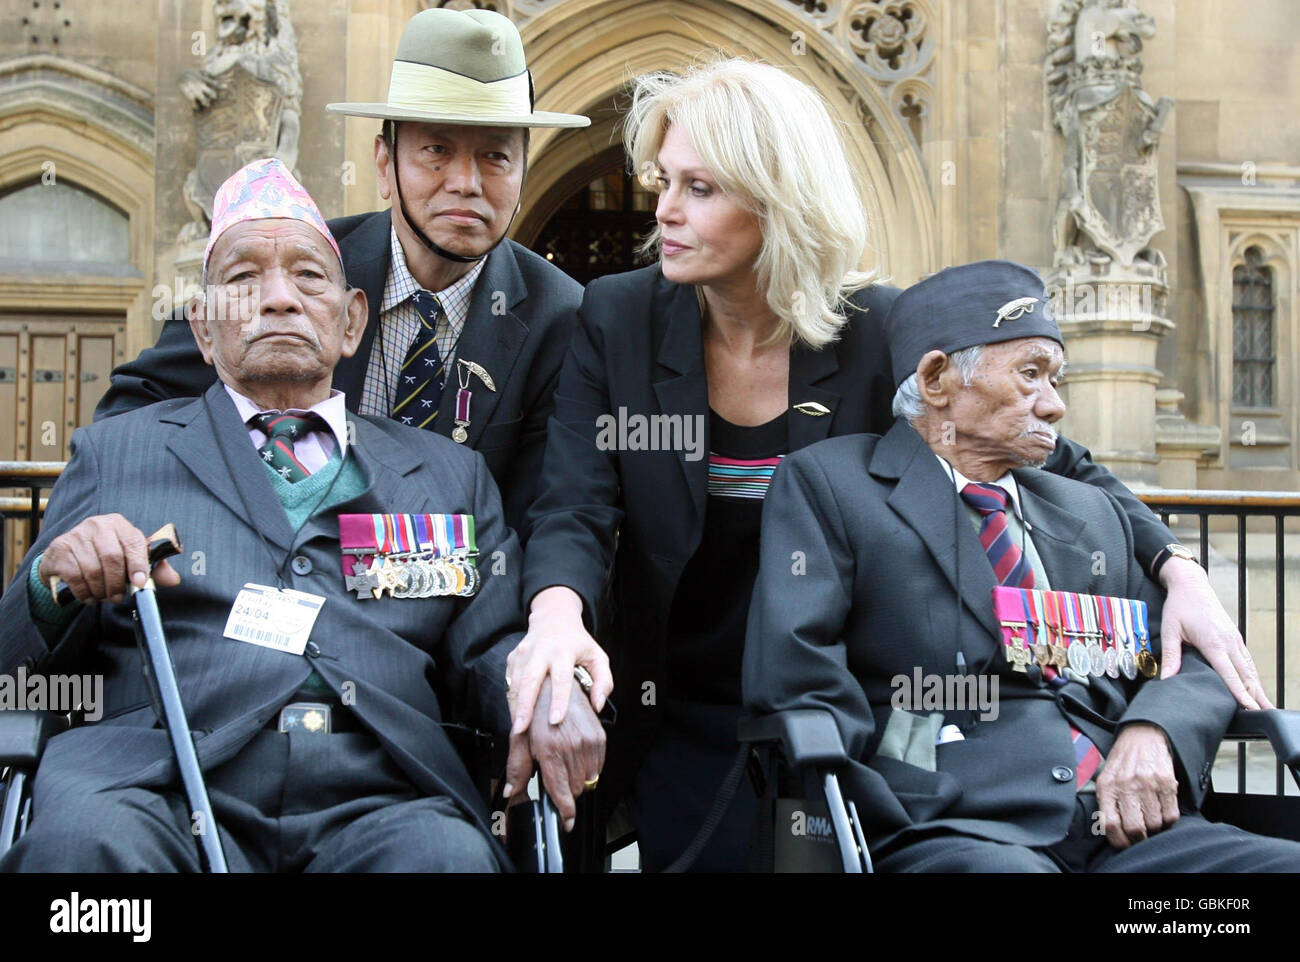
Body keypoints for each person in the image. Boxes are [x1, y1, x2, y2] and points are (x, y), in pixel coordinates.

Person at [507, 59, 1271, 873]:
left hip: (855, 707)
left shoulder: (876, 330)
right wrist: (556, 615)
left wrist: (1176, 564)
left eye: (700, 188)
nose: (663, 210)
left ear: (779, 200)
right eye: (665, 181)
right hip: (682, 698)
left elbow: (1052, 456)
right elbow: (574, 506)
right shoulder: (618, 317)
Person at [0, 159, 603, 872]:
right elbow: (12, 670)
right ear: (202, 330)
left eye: (309, 277)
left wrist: (553, 698)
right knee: (82, 852)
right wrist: (49, 584)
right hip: (154, 787)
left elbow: (494, 649)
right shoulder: (118, 454)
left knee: (448, 862)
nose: (278, 298)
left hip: (379, 795)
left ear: (352, 322)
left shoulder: (447, 476)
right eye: (243, 279)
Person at [742, 260, 1300, 871]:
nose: (1055, 407)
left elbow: (1186, 657)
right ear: (936, 380)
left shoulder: (1090, 513)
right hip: (955, 830)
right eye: (1030, 376)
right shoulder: (834, 486)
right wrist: (884, 804)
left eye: (1056, 379)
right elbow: (798, 674)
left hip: (1132, 831)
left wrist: (1154, 732)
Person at [94, 7, 589, 539]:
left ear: (522, 170)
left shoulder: (560, 316)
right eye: (437, 150)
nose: (466, 182)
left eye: (495, 156)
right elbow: (137, 404)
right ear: (383, 163)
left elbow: (553, 513)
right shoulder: (296, 268)